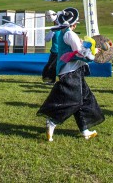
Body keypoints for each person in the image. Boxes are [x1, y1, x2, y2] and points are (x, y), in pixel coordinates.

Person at [37, 8, 105, 141]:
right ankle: (53, 122)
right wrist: (93, 54)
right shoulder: (70, 34)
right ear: (73, 24)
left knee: (85, 100)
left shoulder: (64, 33)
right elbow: (80, 53)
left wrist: (90, 49)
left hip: (73, 71)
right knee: (74, 101)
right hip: (71, 72)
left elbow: (77, 50)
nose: (75, 26)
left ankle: (85, 130)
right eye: (75, 24)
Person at [41, 10, 58, 84]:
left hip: (57, 52)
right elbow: (47, 39)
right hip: (57, 51)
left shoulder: (55, 29)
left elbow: (47, 39)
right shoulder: (55, 29)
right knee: (52, 66)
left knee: (51, 67)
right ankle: (51, 80)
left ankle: (51, 80)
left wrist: (52, 30)